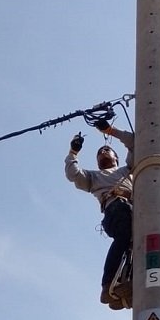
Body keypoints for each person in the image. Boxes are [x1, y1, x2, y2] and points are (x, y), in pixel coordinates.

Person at [65, 121, 134, 309]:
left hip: (133, 210)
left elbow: (135, 142)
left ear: (116, 157)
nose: (102, 153)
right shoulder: (94, 177)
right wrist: (73, 152)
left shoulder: (127, 170)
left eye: (106, 150)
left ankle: (125, 284)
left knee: (135, 245)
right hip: (115, 209)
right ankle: (107, 284)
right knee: (124, 237)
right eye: (99, 154)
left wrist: (110, 130)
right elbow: (73, 174)